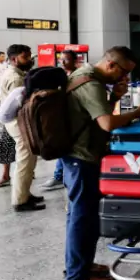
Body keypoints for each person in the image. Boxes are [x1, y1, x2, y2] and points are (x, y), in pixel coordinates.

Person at [62, 46, 140, 280]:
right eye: (124, 72)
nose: (125, 78)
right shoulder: (90, 83)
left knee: (82, 215)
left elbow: (92, 115)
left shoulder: (87, 76)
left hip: (80, 155)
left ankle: (81, 264)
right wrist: (138, 112)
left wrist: (114, 97)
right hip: (80, 157)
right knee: (81, 217)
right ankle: (76, 276)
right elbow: (106, 123)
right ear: (111, 65)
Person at [0, 44, 44, 211]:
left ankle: (24, 193)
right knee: (25, 162)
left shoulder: (16, 74)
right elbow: (23, 105)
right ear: (14, 59)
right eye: (25, 57)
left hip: (17, 122)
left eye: (29, 56)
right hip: (19, 124)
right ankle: (20, 201)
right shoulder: (15, 78)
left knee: (27, 161)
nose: (30, 60)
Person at [39, 49, 80, 192]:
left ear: (75, 61)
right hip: (62, 118)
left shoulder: (79, 77)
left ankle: (60, 177)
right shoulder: (60, 76)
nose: (62, 62)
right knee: (62, 149)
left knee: (65, 150)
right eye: (61, 59)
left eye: (66, 59)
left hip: (75, 119)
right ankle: (59, 176)